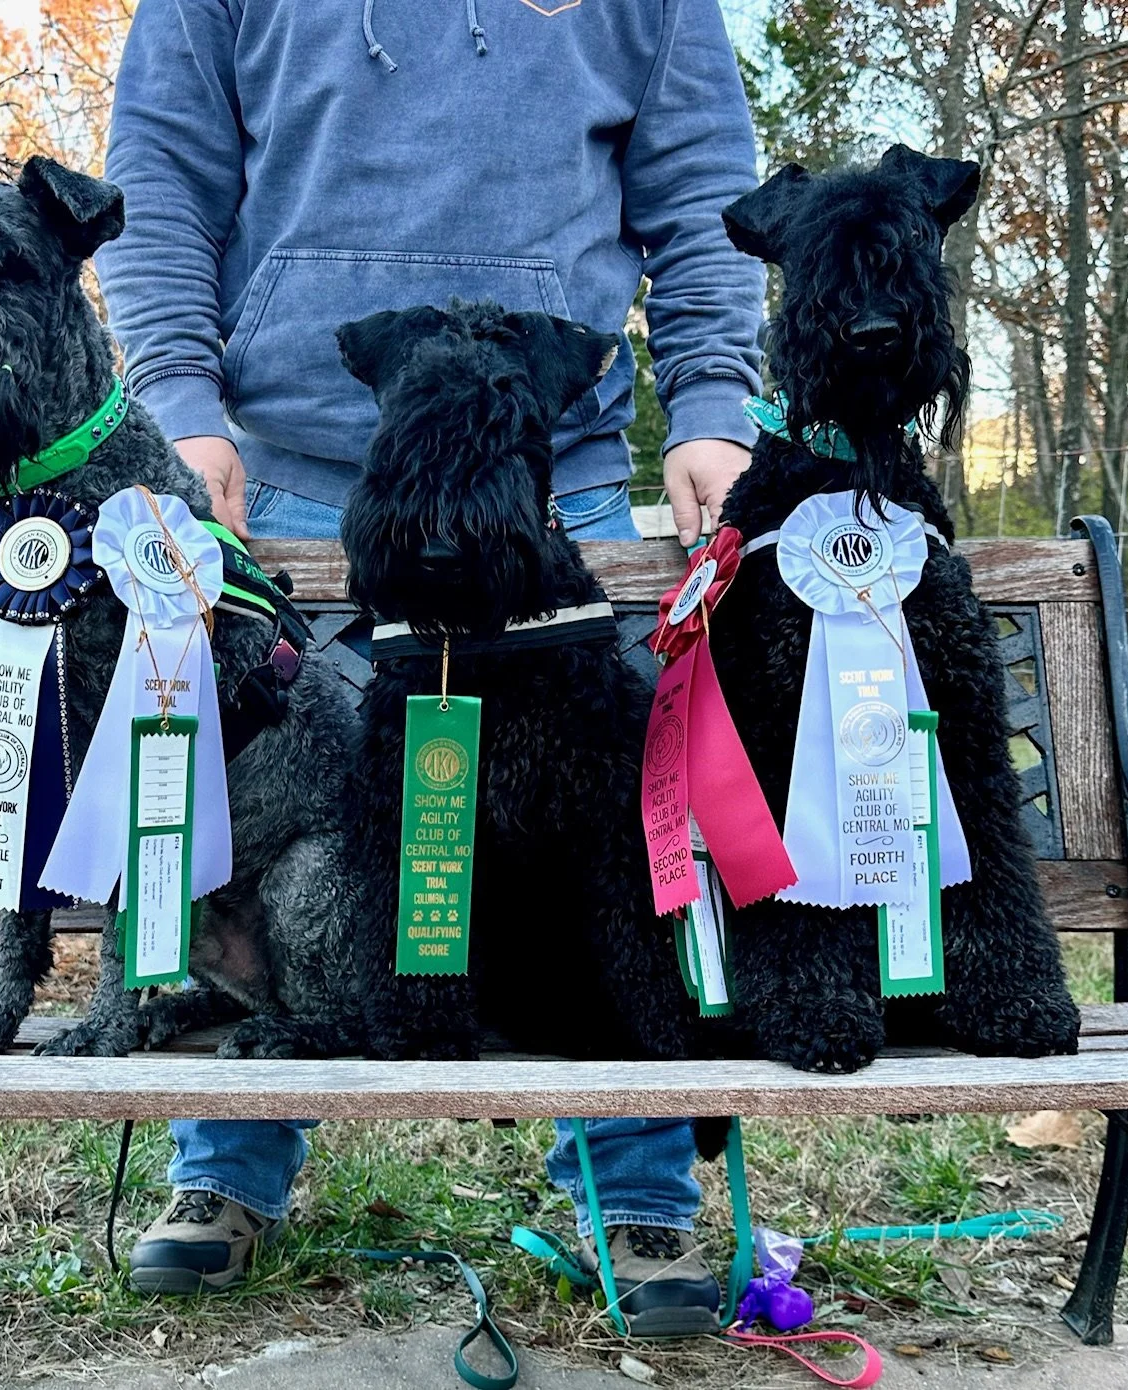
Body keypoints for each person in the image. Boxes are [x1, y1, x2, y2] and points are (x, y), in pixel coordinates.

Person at [95, 0, 764, 1327]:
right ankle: (224, 1163)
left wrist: (708, 399)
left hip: (548, 485)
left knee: (602, 843)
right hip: (271, 488)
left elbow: (699, 201)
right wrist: (179, 397)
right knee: (271, 832)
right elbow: (161, 179)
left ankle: (634, 1185)